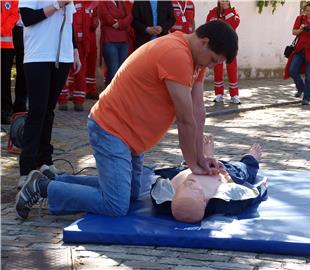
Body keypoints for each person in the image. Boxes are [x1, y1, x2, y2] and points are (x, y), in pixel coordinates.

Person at [15, 20, 238, 220]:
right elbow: (185, 119)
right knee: (115, 204)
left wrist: (201, 158)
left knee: (131, 193)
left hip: (129, 135)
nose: (209, 67)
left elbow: (198, 111)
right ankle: (42, 187)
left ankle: (54, 181)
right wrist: (193, 165)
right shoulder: (177, 54)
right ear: (204, 42)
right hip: (111, 129)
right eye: (212, 61)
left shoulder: (195, 60)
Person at [17, 0, 81, 188]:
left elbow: (69, 24)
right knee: (37, 111)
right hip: (38, 55)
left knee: (49, 111)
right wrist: (57, 5)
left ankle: (45, 161)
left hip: (62, 56)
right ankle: (26, 168)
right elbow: (27, 18)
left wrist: (74, 51)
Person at [151, 136, 267, 223]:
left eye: (184, 186)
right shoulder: (223, 202)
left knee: (180, 170)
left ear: (173, 197)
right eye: (195, 189)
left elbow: (156, 182)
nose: (190, 183)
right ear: (204, 201)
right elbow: (249, 195)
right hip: (223, 171)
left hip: (192, 167)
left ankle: (204, 157)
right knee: (244, 169)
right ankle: (251, 156)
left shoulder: (163, 201)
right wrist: (261, 186)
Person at [58, 0, 96, 111]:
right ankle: (67, 100)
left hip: (77, 42)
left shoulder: (86, 4)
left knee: (76, 72)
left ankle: (71, 100)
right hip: (70, 41)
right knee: (66, 71)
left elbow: (90, 24)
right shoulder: (80, 4)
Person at [206, 0, 241, 104]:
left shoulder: (233, 12)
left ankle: (234, 95)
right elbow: (208, 27)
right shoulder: (212, 13)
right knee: (217, 69)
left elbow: (234, 24)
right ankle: (219, 94)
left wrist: (226, 10)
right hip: (217, 45)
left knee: (232, 69)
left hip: (230, 45)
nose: (224, 0)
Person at [98, 0, 132, 85]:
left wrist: (119, 23)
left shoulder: (122, 2)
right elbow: (107, 19)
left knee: (121, 70)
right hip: (110, 40)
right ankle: (114, 95)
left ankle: (110, 94)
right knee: (114, 70)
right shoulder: (102, 2)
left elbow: (130, 17)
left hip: (124, 40)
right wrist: (122, 22)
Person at [1, 1, 19, 125]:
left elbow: (14, 15)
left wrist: (2, 29)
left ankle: (5, 111)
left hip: (5, 46)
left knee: (4, 80)